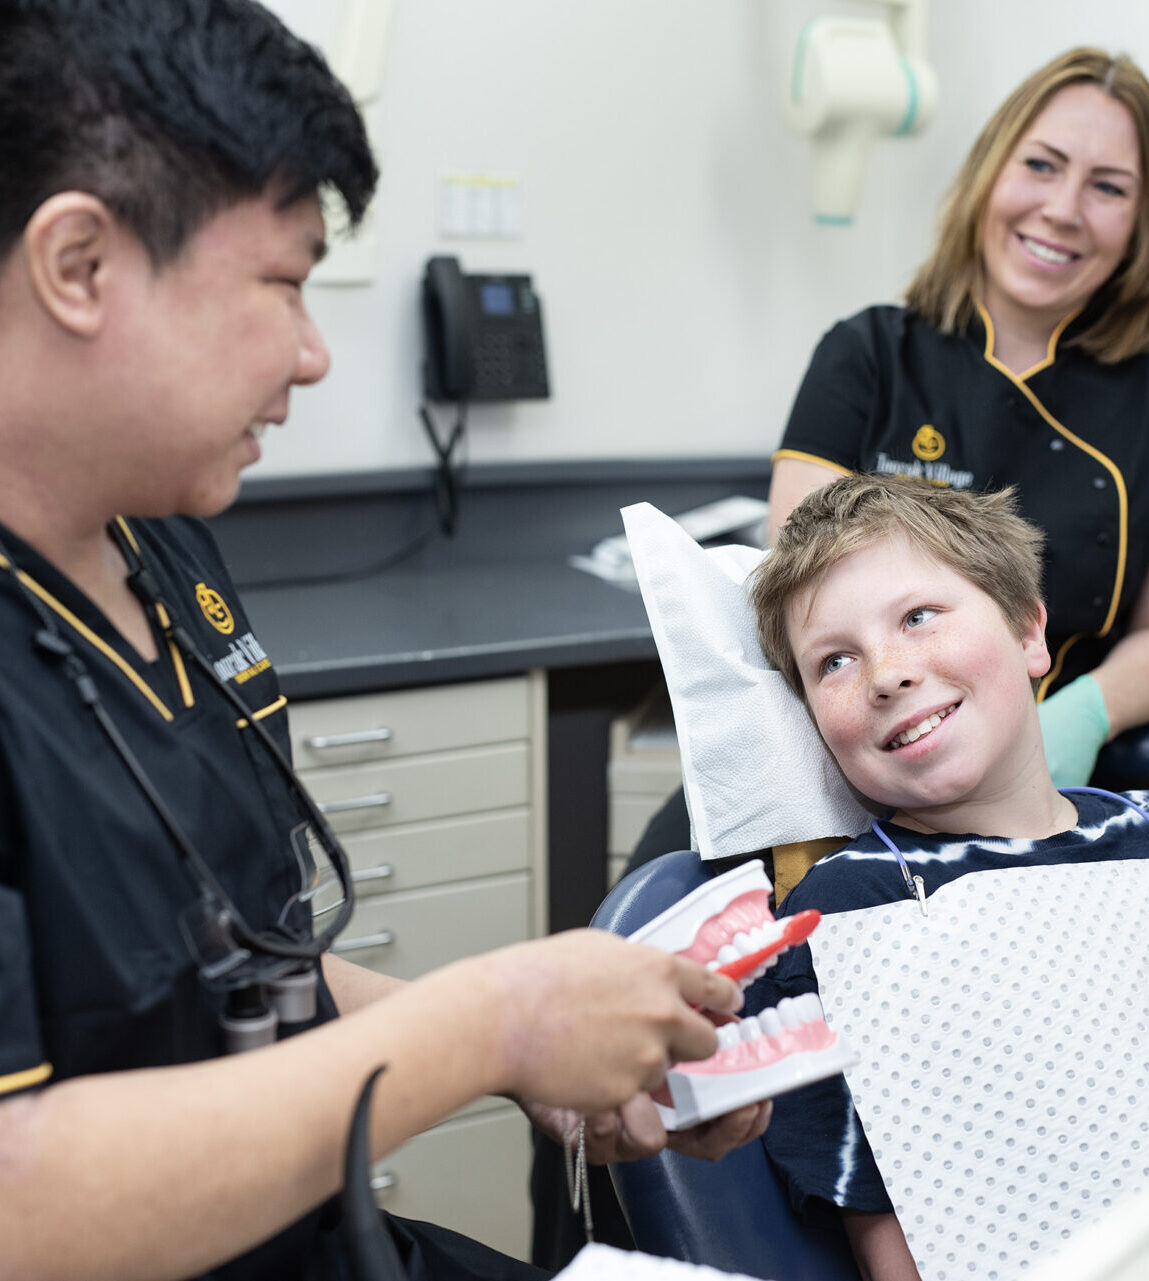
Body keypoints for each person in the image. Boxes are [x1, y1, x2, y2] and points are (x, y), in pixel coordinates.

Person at [0, 4, 770, 1279]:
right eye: (284, 284)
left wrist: (544, 1059)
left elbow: (241, 980)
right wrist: (487, 1026)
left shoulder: (158, 541)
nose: (311, 357)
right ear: (78, 264)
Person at [745, 473, 1149, 1281]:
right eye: (833, 661)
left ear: (1027, 630)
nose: (885, 672)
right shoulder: (840, 926)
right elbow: (906, 1256)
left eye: (918, 617)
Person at [769, 47, 1149, 792]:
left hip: (1074, 782)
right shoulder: (863, 354)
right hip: (870, 767)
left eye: (1108, 187)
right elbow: (800, 598)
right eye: (1041, 165)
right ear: (990, 170)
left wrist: (1081, 715)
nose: (1061, 209)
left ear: (1145, 222)